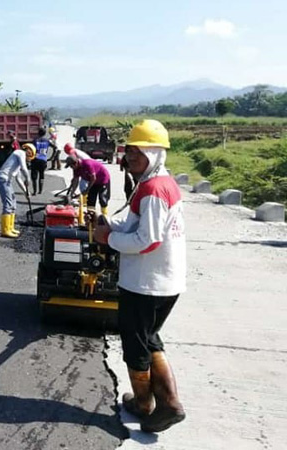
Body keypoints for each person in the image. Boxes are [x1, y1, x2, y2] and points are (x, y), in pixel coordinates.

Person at [93, 119, 187, 433]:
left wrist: (108, 239)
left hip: (146, 284)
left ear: (156, 153)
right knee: (149, 339)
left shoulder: (154, 190)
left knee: (136, 345)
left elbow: (148, 240)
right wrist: (110, 225)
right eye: (129, 151)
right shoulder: (158, 184)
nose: (131, 157)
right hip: (163, 281)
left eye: (139, 152)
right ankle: (165, 401)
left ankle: (148, 404)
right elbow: (136, 226)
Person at [0, 142, 32, 238]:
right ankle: (5, 230)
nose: (28, 160)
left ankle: (10, 227)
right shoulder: (20, 152)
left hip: (6, 180)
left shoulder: (17, 163)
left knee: (13, 202)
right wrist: (28, 178)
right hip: (2, 178)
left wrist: (26, 192)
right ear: (29, 152)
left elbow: (18, 179)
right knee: (8, 203)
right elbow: (24, 169)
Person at [30, 128, 56, 195]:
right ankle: (40, 190)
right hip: (43, 160)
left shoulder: (35, 140)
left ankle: (34, 191)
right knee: (41, 175)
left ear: (38, 133)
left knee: (34, 177)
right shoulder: (47, 141)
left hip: (35, 159)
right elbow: (55, 147)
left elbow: (30, 150)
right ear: (45, 134)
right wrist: (51, 157)